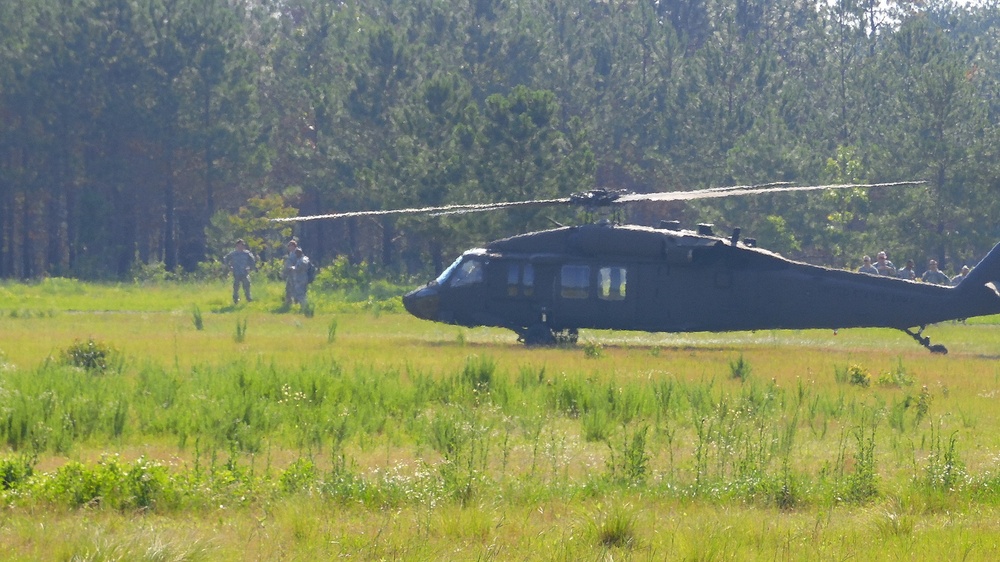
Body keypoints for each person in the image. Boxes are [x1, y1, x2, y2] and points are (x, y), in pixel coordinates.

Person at [223, 239, 257, 304]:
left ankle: (249, 299)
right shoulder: (233, 254)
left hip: (245, 272)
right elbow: (226, 259)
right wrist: (229, 267)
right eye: (239, 245)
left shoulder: (247, 253)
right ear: (237, 245)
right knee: (236, 287)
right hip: (236, 272)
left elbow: (252, 261)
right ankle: (236, 300)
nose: (241, 246)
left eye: (242, 245)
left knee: (247, 286)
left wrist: (250, 267)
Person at [283, 240, 299, 305]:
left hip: (296, 274)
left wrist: (294, 267)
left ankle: (297, 302)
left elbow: (300, 262)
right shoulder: (291, 253)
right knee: (288, 288)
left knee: (295, 288)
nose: (288, 247)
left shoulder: (298, 252)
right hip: (290, 274)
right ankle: (288, 302)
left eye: (289, 246)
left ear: (293, 246)